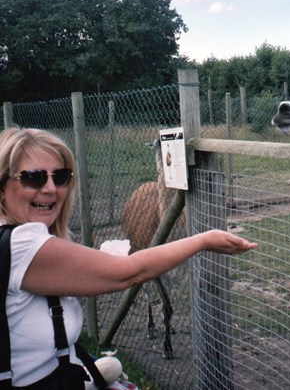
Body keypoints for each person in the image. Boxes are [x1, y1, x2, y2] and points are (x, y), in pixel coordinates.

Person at [0, 127, 258, 388]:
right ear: (2, 186)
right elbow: (129, 272)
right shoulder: (21, 245)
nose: (50, 188)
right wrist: (204, 240)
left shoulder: (16, 241)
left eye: (61, 176)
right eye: (32, 178)